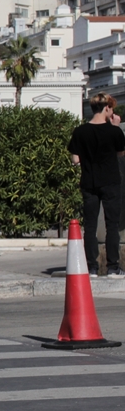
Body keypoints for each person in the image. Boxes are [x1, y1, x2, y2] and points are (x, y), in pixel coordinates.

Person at [70, 92, 125, 275]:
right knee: (112, 225)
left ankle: (91, 267)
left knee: (90, 226)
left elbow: (75, 159)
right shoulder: (114, 131)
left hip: (89, 182)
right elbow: (120, 153)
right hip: (110, 181)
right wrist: (115, 126)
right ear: (107, 108)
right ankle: (112, 267)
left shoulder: (80, 131)